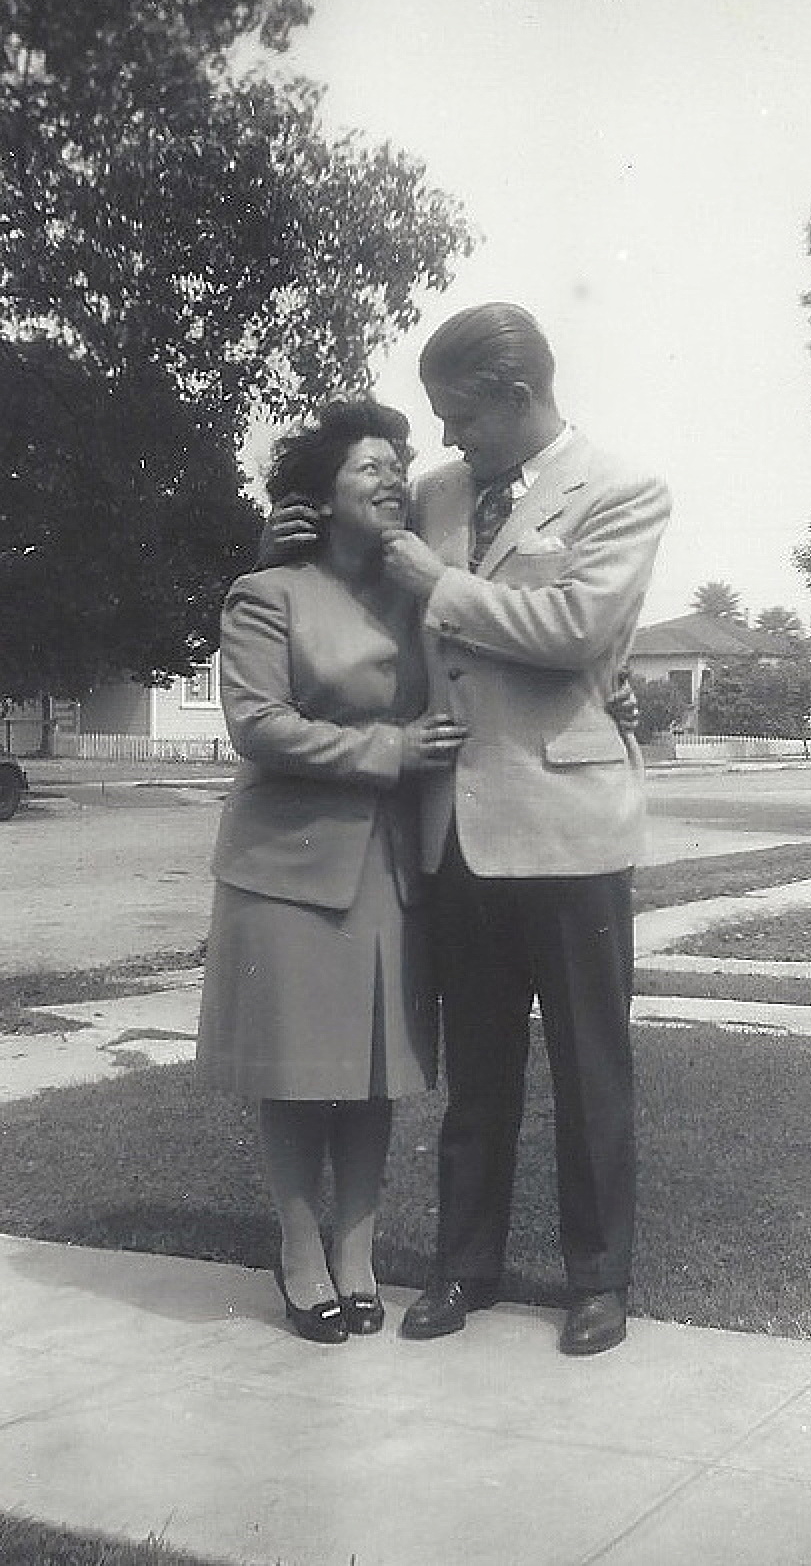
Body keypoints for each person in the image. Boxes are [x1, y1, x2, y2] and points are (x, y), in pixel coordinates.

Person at [263, 304, 670, 1356]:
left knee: (591, 1069)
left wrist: (438, 583)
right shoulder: (438, 495)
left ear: (519, 398)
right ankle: (463, 1269)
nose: (444, 442)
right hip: (452, 832)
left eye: (459, 418)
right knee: (476, 1073)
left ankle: (597, 1283)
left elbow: (577, 629)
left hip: (571, 826)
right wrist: (279, 544)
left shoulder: (623, 491)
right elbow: (347, 577)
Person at [196, 398, 467, 1344]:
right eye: (370, 468)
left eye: (400, 463)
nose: (395, 477)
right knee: (298, 1074)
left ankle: (359, 1248)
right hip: (290, 870)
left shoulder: (419, 596)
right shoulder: (266, 593)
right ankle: (300, 1249)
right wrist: (390, 749)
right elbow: (257, 726)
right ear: (318, 496)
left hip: (392, 870)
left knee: (371, 1073)